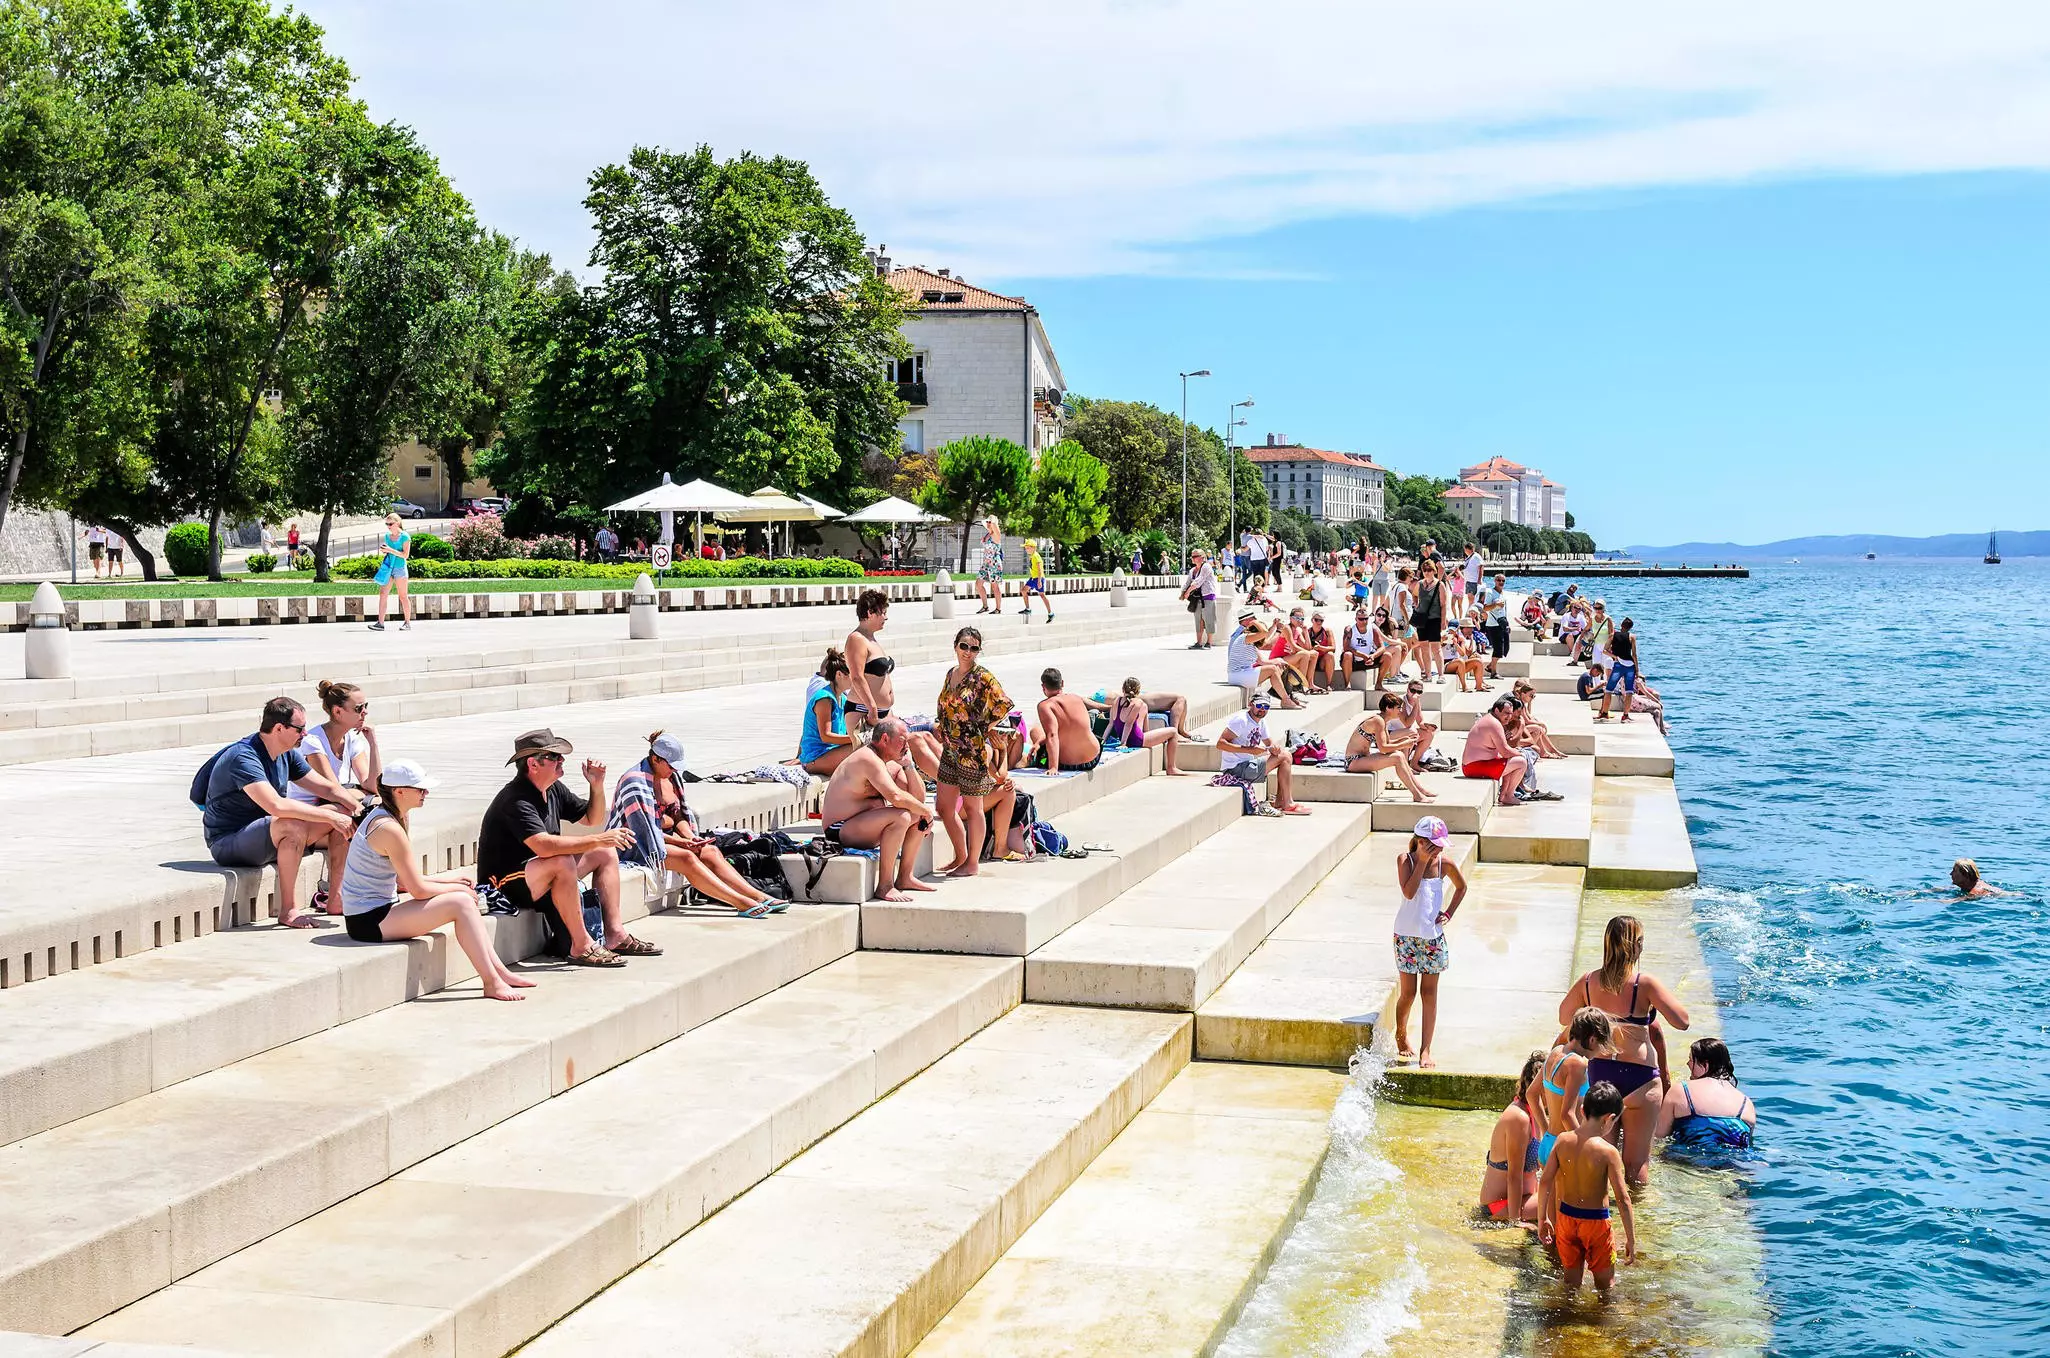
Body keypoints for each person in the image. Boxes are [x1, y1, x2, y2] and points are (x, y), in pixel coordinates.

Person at [338, 759, 535, 1000]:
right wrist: (454, 888)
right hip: (368, 921)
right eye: (420, 789)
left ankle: (499, 972)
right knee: (461, 903)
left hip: (378, 912)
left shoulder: (391, 816)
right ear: (399, 792)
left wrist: (449, 884)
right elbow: (417, 890)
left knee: (462, 899)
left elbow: (404, 881)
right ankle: (491, 982)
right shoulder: (388, 828)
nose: (426, 793)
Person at [476, 728, 653, 968]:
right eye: (554, 757)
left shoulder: (553, 789)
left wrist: (597, 785)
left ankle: (615, 934)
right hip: (505, 884)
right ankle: (581, 945)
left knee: (604, 852)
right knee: (563, 860)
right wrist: (599, 838)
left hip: (539, 873)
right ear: (533, 763)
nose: (562, 761)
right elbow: (544, 846)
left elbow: (592, 818)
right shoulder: (516, 799)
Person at [198, 697, 362, 929]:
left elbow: (327, 787)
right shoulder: (243, 757)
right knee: (293, 823)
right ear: (278, 728)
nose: (305, 734)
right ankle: (288, 911)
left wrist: (356, 807)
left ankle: (336, 899)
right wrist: (330, 816)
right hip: (229, 841)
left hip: (268, 833)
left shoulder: (286, 752)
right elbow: (276, 806)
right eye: (299, 728)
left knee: (344, 812)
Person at [1558, 915, 1692, 1184]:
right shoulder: (1645, 984)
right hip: (1640, 1080)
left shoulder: (1588, 982)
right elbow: (1683, 1021)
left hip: (1601, 1077)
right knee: (1636, 1164)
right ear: (1637, 945)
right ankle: (1638, 1222)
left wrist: (1597, 1011)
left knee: (1602, 1159)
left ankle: (1603, 1216)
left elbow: (1564, 1016)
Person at [616, 732, 790, 916]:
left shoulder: (671, 778)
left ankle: (757, 895)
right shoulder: (635, 781)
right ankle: (740, 902)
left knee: (710, 852)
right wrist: (682, 843)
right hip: (635, 844)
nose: (674, 771)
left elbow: (677, 816)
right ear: (655, 759)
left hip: (661, 839)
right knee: (687, 858)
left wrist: (691, 837)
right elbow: (645, 832)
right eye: (671, 766)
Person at [820, 717, 937, 900]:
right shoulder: (867, 758)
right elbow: (896, 797)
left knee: (916, 815)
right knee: (902, 816)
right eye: (902, 740)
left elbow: (917, 799)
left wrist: (909, 765)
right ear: (884, 739)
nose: (906, 745)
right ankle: (884, 886)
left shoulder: (891, 764)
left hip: (866, 825)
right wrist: (927, 810)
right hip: (839, 828)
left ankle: (905, 877)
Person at [934, 627, 1019, 875]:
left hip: (971, 752)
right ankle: (960, 856)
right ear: (955, 646)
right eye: (964, 646)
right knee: (944, 807)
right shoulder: (951, 674)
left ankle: (972, 863)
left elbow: (1004, 704)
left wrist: (983, 726)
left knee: (973, 808)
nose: (968, 653)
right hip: (950, 748)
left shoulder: (982, 677)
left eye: (973, 648)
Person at [1538, 1081, 1637, 1294]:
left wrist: (1542, 1218)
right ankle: (1601, 1324)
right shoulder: (1608, 1152)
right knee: (1605, 1287)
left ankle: (1566, 1320)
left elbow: (1545, 1181)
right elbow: (1622, 1198)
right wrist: (1631, 1238)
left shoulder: (1563, 1140)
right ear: (1610, 1119)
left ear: (1582, 1111)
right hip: (1596, 1224)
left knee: (1571, 1282)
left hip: (1565, 1218)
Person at [841, 589, 941, 778]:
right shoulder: (857, 639)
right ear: (870, 612)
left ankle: (953, 786)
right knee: (878, 767)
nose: (886, 618)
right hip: (864, 711)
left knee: (909, 750)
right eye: (883, 612)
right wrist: (871, 707)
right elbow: (856, 677)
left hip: (883, 712)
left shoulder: (871, 639)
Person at [1392, 815, 1466, 1066]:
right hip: (1406, 936)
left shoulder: (1445, 863)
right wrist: (1422, 862)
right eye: (1433, 845)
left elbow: (1461, 887)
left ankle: (1426, 1049)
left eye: (1441, 845)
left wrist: (1448, 913)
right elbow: (1409, 893)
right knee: (1409, 993)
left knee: (1429, 993)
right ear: (1420, 842)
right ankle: (1401, 1036)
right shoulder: (1406, 860)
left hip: (1432, 938)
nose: (1439, 849)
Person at [1535, 1007, 1615, 1170]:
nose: (1601, 1051)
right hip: (1565, 1147)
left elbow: (1532, 1094)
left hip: (1548, 1143)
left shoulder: (1556, 1052)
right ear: (1592, 1040)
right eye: (1601, 1045)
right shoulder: (1577, 1064)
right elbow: (1567, 1114)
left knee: (1548, 1196)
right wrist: (1588, 1147)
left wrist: (1545, 1129)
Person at [1656, 1037, 1757, 1159]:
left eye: (1691, 1060)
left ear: (1705, 1065)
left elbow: (1659, 1137)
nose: (1688, 1064)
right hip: (1735, 1164)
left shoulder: (1681, 1090)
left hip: (1688, 1161)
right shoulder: (1746, 1103)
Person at [1483, 1051, 1549, 1226]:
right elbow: (1514, 1175)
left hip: (1524, 1200)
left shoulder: (1535, 1114)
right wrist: (1515, 1221)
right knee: (1561, 1204)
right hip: (1499, 1206)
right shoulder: (1518, 1118)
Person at [1216, 693, 1310, 815]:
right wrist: (1250, 750)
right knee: (1285, 757)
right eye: (1259, 705)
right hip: (1235, 769)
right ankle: (1287, 804)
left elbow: (1268, 742)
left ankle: (1281, 802)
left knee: (1285, 755)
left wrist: (1274, 748)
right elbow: (1220, 744)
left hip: (1246, 766)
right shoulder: (1241, 720)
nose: (1262, 709)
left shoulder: (1261, 722)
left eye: (1266, 707)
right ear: (1251, 704)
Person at [1346, 694, 1435, 801]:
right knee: (1397, 758)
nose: (1401, 711)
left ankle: (1420, 790)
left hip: (1361, 759)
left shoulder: (1383, 721)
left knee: (1400, 755)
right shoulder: (1378, 721)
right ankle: (1417, 795)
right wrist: (1404, 744)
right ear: (1388, 708)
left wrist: (1405, 740)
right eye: (1398, 708)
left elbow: (1387, 742)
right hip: (1353, 762)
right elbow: (1383, 749)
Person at [1462, 694, 1542, 807]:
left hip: (1473, 765)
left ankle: (1505, 795)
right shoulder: (1494, 724)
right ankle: (1508, 796)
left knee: (1512, 760)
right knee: (1521, 762)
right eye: (1506, 713)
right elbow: (1505, 751)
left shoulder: (1490, 719)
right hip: (1474, 767)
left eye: (1510, 713)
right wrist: (1520, 753)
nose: (1509, 717)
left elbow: (1506, 751)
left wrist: (1515, 752)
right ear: (1496, 710)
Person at [1095, 676, 1184, 774]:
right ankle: (1171, 768)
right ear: (1138, 691)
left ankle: (1171, 768)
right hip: (1136, 739)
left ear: (1123, 689)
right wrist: (1123, 744)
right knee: (1173, 732)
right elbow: (1129, 724)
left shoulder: (1116, 701)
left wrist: (1102, 741)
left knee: (1144, 711)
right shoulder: (1137, 703)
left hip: (1129, 737)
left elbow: (1110, 724)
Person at [1226, 610, 1305, 709]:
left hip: (1241, 674)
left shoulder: (1251, 644)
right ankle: (1286, 700)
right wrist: (1254, 622)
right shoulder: (1245, 637)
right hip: (1237, 675)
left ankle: (1287, 697)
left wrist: (1279, 661)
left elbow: (1263, 661)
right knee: (1272, 669)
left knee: (1277, 667)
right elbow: (1264, 633)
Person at [1029, 667, 1102, 773]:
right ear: (1062, 683)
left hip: (1068, 764)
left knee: (1035, 731)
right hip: (1093, 758)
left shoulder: (1045, 706)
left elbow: (1052, 735)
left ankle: (1049, 760)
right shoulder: (1076, 698)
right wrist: (1039, 742)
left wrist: (1053, 767)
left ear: (1043, 686)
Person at [798, 649, 858, 776]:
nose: (857, 678)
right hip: (816, 757)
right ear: (839, 675)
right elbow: (826, 736)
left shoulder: (843, 698)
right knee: (863, 750)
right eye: (852, 674)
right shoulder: (824, 699)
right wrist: (856, 739)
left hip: (831, 752)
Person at [368, 512, 415, 631]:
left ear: (397, 523)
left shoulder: (405, 536)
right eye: (387, 524)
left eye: (390, 524)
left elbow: (405, 555)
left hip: (400, 569)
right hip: (389, 568)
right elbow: (389, 552)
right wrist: (386, 550)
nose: (388, 526)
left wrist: (390, 550)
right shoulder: (388, 537)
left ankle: (407, 622)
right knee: (383, 594)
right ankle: (380, 622)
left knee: (403, 596)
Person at [1339, 608, 1399, 691]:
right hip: (1353, 661)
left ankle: (1379, 684)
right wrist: (1362, 655)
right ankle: (1347, 684)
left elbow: (1382, 647)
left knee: (1387, 655)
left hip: (1368, 659)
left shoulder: (1373, 629)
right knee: (1347, 654)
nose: (1364, 621)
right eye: (1361, 619)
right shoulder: (1349, 629)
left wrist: (1373, 656)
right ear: (1356, 619)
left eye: (1366, 618)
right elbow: (1346, 648)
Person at [1409, 560, 1449, 682]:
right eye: (1425, 570)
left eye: (1429, 570)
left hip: (1434, 619)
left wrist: (1443, 621)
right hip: (1422, 619)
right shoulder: (1420, 584)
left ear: (1434, 571)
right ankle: (1428, 674)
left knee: (1436, 648)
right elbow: (1414, 594)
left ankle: (1441, 674)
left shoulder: (1439, 585)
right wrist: (1416, 603)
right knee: (1424, 648)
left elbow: (1443, 604)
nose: (1427, 572)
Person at [1595, 618, 1640, 722]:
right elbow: (1634, 654)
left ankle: (1605, 713)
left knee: (1609, 689)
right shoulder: (1632, 637)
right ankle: (1625, 715)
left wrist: (1615, 657)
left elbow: (1604, 650)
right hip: (1630, 667)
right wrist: (1637, 670)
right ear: (1630, 627)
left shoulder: (1612, 635)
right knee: (1629, 691)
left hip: (1618, 665)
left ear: (1621, 625)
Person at [1509, 680, 1568, 760]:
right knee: (1538, 728)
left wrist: (1530, 703)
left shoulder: (1522, 702)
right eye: (1531, 695)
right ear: (1523, 693)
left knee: (1537, 725)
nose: (1532, 697)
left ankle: (1551, 750)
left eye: (1533, 696)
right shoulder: (1518, 702)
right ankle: (1546, 752)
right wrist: (1542, 724)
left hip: (1519, 728)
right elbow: (1527, 721)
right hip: (1514, 730)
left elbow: (1528, 715)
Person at [1178, 547, 1219, 649]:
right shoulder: (1192, 570)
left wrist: (1188, 592)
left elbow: (1199, 581)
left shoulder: (1206, 567)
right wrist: (1183, 592)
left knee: (1209, 619)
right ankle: (1199, 642)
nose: (1193, 558)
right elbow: (1188, 582)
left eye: (1196, 556)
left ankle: (1209, 642)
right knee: (1198, 620)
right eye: (1192, 556)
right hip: (1197, 598)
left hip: (1208, 596)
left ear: (1203, 557)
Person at [1477, 572, 1510, 678]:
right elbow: (1485, 608)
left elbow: (1504, 609)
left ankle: (1491, 666)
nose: (1501, 582)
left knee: (1506, 648)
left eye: (1503, 581)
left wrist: (1507, 623)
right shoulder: (1490, 592)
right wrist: (1496, 605)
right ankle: (1493, 672)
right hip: (1493, 624)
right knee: (1498, 648)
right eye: (1499, 580)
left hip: (1502, 623)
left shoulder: (1502, 593)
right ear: (1495, 581)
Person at [973, 515, 1005, 614]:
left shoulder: (996, 535)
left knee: (994, 586)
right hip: (986, 562)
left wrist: (992, 521)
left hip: (994, 562)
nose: (987, 524)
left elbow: (995, 526)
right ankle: (985, 606)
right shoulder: (988, 534)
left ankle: (998, 608)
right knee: (978, 584)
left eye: (989, 522)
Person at [1019, 538, 1053, 622]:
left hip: (1038, 578)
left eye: (1028, 548)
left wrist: (1039, 581)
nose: (1026, 550)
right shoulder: (1032, 556)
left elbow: (1040, 569)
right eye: (1025, 548)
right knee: (1023, 591)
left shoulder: (1036, 556)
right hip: (1033, 578)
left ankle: (1050, 613)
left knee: (1042, 595)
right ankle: (1028, 609)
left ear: (1033, 548)